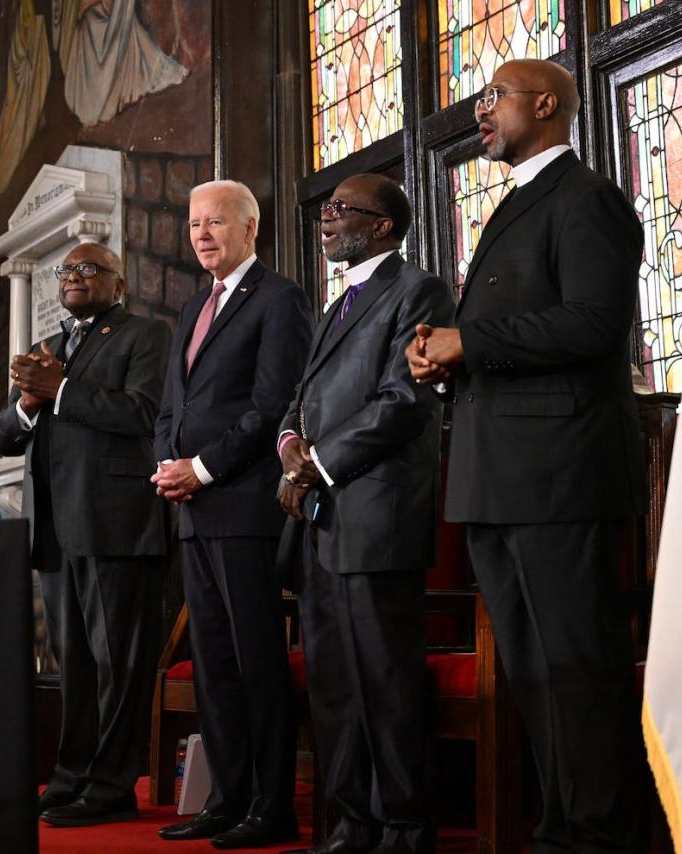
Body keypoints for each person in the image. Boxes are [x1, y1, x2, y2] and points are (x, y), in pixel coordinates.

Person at [406, 59, 649, 852]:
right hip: (498, 474)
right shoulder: (515, 205)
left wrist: (469, 339)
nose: (480, 112)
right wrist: (445, 364)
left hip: (560, 475)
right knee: (536, 674)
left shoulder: (586, 200)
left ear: (545, 105)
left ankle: (600, 835)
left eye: (494, 98)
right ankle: (563, 829)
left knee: (578, 670)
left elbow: (591, 324)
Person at [278, 174, 454, 854]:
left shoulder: (419, 291)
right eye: (326, 207)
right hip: (321, 521)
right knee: (333, 683)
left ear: (382, 225)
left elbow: (402, 402)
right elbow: (300, 397)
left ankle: (404, 829)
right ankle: (354, 824)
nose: (326, 217)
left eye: (340, 208)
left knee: (385, 681)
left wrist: (316, 462)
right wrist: (291, 444)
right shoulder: (338, 304)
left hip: (376, 516)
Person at [152, 179, 312, 849]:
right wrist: (169, 464)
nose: (202, 233)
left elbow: (275, 403)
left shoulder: (279, 300)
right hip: (194, 509)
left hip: (246, 508)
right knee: (214, 663)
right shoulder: (193, 308)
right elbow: (172, 407)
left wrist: (205, 468)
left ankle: (271, 806)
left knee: (255, 663)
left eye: (216, 222)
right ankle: (227, 798)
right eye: (194, 224)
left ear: (251, 229)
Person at [0, 241, 170, 826]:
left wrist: (61, 390)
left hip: (115, 521)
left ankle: (113, 784)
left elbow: (144, 413)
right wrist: (27, 404)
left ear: (119, 284)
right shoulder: (50, 347)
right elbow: (2, 434)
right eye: (66, 270)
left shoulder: (145, 336)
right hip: (57, 528)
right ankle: (71, 776)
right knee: (77, 665)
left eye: (88, 268)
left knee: (118, 662)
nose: (74, 276)